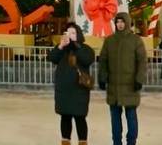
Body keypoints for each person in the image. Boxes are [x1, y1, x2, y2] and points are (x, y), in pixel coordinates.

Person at [97, 12, 144, 145]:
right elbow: (103, 60)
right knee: (115, 117)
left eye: (122, 22)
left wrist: (139, 79)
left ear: (127, 23)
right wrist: (102, 77)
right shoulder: (109, 40)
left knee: (131, 116)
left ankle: (131, 142)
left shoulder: (136, 40)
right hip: (114, 86)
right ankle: (116, 142)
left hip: (131, 85)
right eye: (117, 22)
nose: (120, 24)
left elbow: (142, 61)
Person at [48, 22, 94, 145]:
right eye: (68, 33)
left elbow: (87, 60)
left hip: (79, 90)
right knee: (65, 117)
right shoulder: (62, 48)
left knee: (80, 118)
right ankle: (65, 142)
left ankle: (82, 142)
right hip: (64, 90)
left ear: (78, 34)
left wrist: (75, 46)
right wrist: (61, 46)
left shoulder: (85, 48)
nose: (70, 35)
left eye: (73, 33)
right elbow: (52, 58)